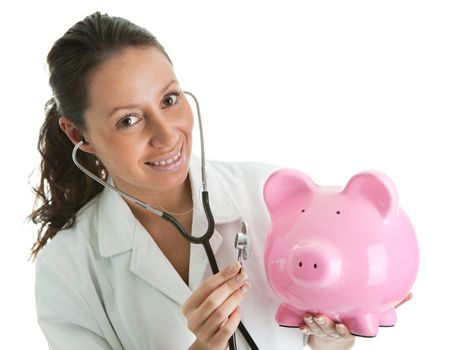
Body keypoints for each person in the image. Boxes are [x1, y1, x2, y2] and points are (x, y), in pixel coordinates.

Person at [31, 11, 412, 350]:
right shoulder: (68, 268)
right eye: (128, 120)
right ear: (79, 136)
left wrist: (335, 337)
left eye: (169, 100)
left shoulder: (271, 195)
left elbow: (316, 336)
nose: (168, 135)